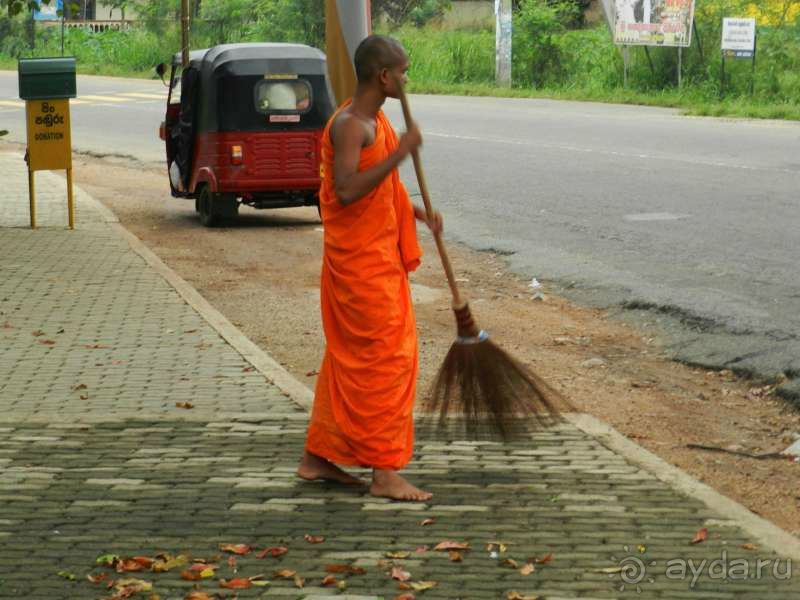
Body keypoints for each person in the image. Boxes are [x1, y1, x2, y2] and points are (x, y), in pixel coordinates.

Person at [296, 35, 442, 501]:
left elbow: (380, 188)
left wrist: (415, 214)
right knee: (387, 361)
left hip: (375, 255)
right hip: (361, 268)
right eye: (404, 71)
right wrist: (402, 153)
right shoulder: (352, 124)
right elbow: (346, 191)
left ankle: (317, 458)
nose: (407, 79)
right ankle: (384, 472)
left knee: (348, 362)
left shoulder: (375, 120)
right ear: (384, 76)